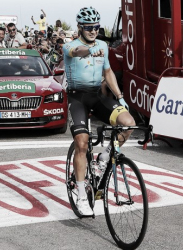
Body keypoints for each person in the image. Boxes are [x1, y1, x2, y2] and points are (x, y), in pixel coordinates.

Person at [63, 7, 135, 216]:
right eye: (89, 28)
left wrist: (120, 96)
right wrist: (89, 51)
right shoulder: (71, 45)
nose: (93, 31)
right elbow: (76, 52)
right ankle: (82, 195)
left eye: (96, 27)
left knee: (128, 123)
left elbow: (108, 72)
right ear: (80, 28)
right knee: (82, 143)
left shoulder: (103, 45)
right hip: (77, 98)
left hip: (96, 95)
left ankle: (104, 157)